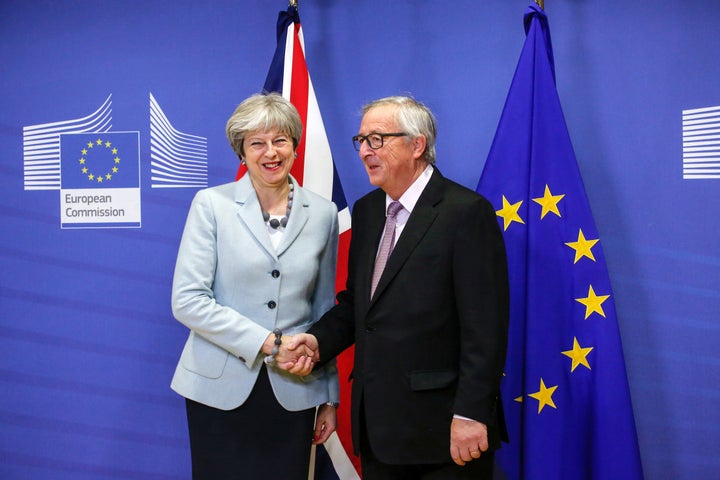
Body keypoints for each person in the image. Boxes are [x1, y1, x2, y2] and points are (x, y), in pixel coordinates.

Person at [282, 95, 509, 479]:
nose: (365, 151)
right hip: (378, 429)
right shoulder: (369, 211)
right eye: (361, 141)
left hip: (444, 434)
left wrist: (470, 413)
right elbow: (359, 305)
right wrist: (318, 342)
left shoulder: (465, 213)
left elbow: (485, 329)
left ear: (417, 144)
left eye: (377, 139)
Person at [170, 92, 340, 480]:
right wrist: (270, 344)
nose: (270, 153)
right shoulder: (211, 205)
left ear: (295, 146)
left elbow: (323, 311)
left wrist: (329, 397)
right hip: (218, 388)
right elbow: (188, 301)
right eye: (257, 143)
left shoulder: (324, 214)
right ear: (241, 152)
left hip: (295, 388)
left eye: (280, 140)